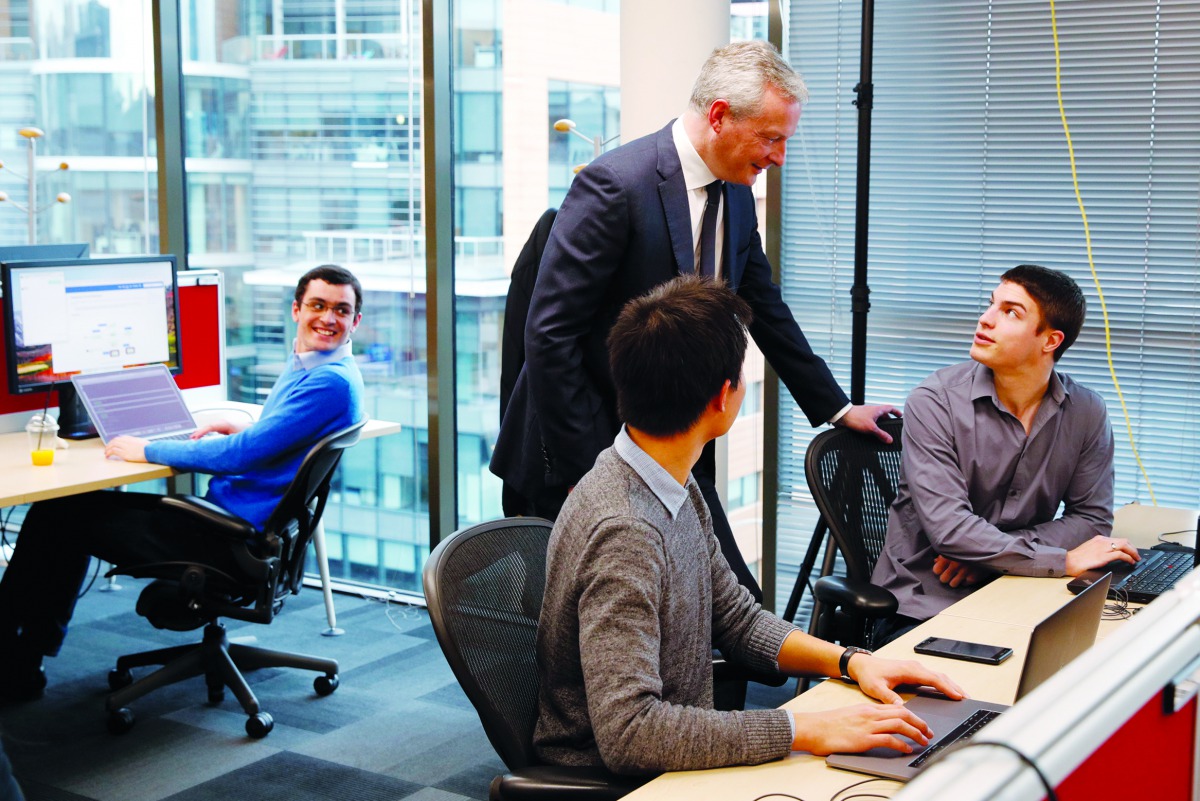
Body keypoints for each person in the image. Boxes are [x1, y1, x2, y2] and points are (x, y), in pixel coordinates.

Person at [491, 40, 899, 601]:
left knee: (731, 609)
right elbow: (550, 336)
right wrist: (595, 474)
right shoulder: (616, 185)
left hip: (676, 450)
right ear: (720, 115)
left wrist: (837, 407)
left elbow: (764, 306)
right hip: (588, 451)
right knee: (605, 630)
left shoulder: (736, 193)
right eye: (771, 138)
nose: (780, 157)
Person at [534, 276, 964, 775]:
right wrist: (804, 730)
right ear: (723, 396)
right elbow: (631, 734)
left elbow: (736, 619)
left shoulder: (666, 476)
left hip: (679, 748)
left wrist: (852, 661)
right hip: (622, 777)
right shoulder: (627, 531)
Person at [0, 264, 365, 703]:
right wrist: (248, 429)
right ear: (296, 310)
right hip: (242, 526)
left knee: (59, 515)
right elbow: (279, 441)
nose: (328, 318)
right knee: (71, 509)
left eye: (341, 310)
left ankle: (18, 658)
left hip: (226, 537)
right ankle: (24, 656)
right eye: (318, 305)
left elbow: (239, 457)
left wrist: (148, 449)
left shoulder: (328, 381)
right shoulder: (319, 365)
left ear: (355, 321)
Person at [871, 264, 1138, 645]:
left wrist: (992, 559)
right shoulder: (935, 401)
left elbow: (1092, 519)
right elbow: (951, 531)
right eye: (992, 304)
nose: (986, 318)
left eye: (1011, 312)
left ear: (1050, 340)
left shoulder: (1086, 411)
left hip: (1022, 593)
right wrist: (1059, 559)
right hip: (925, 605)